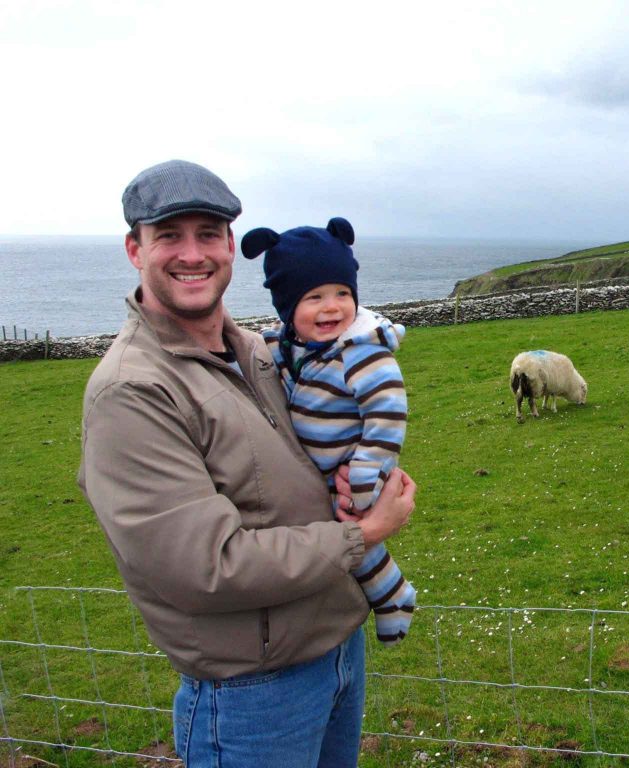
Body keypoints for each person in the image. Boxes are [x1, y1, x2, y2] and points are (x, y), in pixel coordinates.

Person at [77, 159, 416, 768]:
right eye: (169, 236)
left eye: (208, 234)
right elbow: (207, 568)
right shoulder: (133, 390)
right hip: (253, 691)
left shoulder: (261, 353)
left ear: (232, 246)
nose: (192, 254)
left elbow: (323, 440)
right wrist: (364, 533)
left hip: (337, 649)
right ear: (135, 249)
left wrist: (359, 470)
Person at [240, 218, 417, 645]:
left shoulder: (361, 353)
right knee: (342, 548)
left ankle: (393, 596)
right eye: (314, 297)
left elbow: (388, 414)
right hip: (311, 472)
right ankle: (388, 596)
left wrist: (365, 472)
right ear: (287, 307)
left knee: (358, 545)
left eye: (342, 293)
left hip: (349, 471)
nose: (332, 307)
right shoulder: (290, 349)